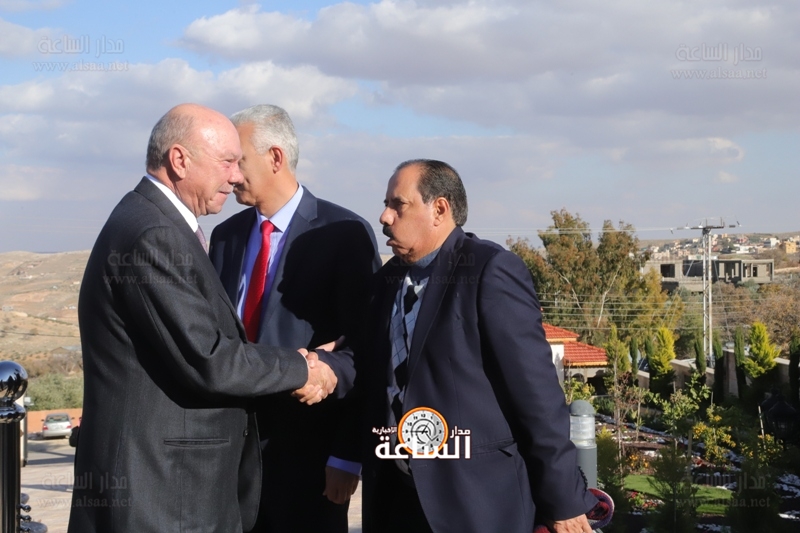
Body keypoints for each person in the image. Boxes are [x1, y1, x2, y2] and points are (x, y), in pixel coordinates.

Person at [68, 103, 337, 533]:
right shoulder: (154, 234)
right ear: (179, 160)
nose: (235, 176)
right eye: (227, 161)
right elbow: (209, 358)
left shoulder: (156, 222)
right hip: (161, 493)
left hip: (170, 488)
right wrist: (303, 367)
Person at [359, 159, 599, 533]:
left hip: (476, 504)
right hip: (396, 500)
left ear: (439, 209)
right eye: (386, 204)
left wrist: (563, 499)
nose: (384, 216)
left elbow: (536, 395)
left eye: (398, 204)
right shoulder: (386, 281)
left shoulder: (489, 270)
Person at [209, 104, 380, 533]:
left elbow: (365, 348)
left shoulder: (343, 233)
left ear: (275, 157)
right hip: (229, 463)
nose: (230, 175)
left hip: (308, 462)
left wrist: (346, 455)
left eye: (237, 161)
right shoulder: (225, 237)